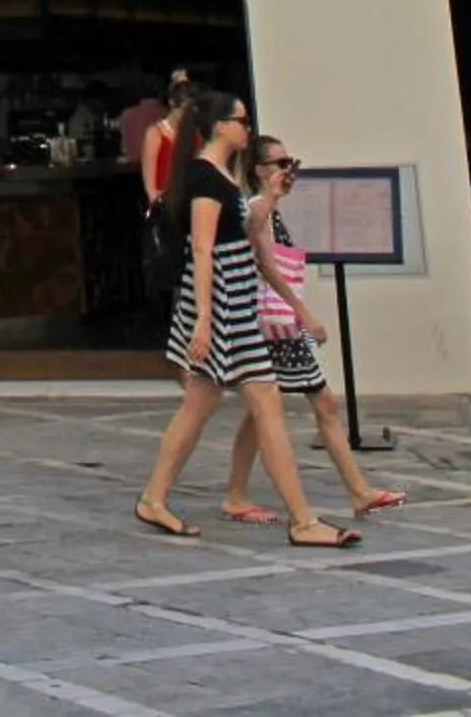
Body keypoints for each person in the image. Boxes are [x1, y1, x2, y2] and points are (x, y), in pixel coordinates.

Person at [134, 86, 359, 548]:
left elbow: (245, 233)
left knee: (205, 405)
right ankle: (301, 520)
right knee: (257, 404)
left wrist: (270, 197)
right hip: (223, 311)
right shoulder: (205, 178)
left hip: (231, 306)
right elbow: (202, 246)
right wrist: (202, 321)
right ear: (221, 127)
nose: (247, 127)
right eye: (241, 120)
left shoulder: (219, 174)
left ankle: (154, 498)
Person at [223, 133, 404, 525]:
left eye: (292, 164)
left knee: (266, 411)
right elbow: (266, 266)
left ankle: (240, 492)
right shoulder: (258, 208)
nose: (289, 172)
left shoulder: (267, 208)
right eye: (281, 164)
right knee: (312, 403)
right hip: (274, 326)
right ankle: (356, 491)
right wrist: (305, 314)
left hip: (273, 324)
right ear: (260, 170)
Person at [138, 73, 192, 205]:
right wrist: (156, 204)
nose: (186, 116)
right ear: (172, 104)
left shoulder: (192, 132)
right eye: (183, 111)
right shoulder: (155, 133)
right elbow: (150, 185)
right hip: (165, 202)